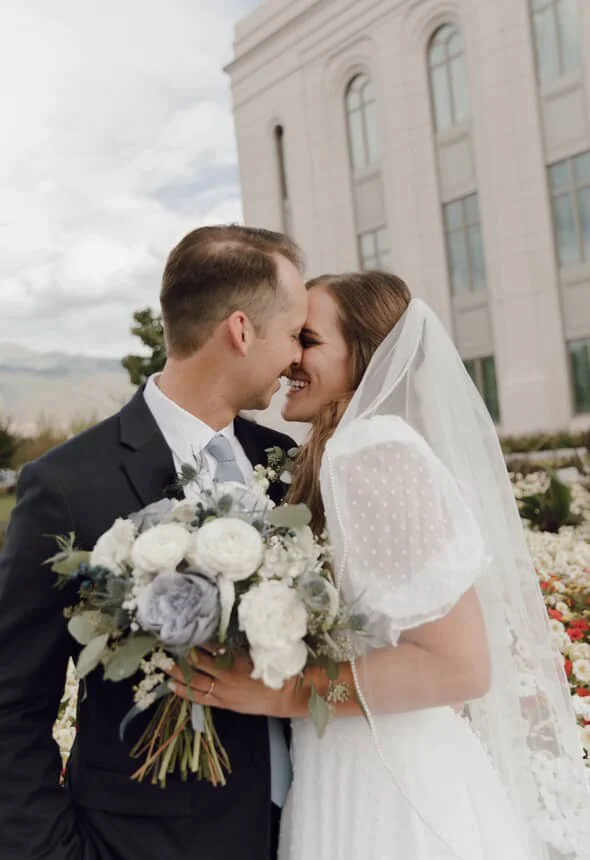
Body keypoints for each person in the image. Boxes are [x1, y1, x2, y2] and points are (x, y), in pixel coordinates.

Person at [181, 271, 589, 859]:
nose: (290, 358)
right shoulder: (340, 454)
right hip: (360, 757)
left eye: (307, 340)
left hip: (383, 782)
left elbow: (460, 668)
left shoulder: (370, 453)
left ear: (365, 354)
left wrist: (278, 693)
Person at [0, 224, 308, 860]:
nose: (297, 356)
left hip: (311, 829)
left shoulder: (286, 464)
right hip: (145, 844)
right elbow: (11, 703)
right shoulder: (68, 485)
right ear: (242, 330)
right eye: (293, 332)